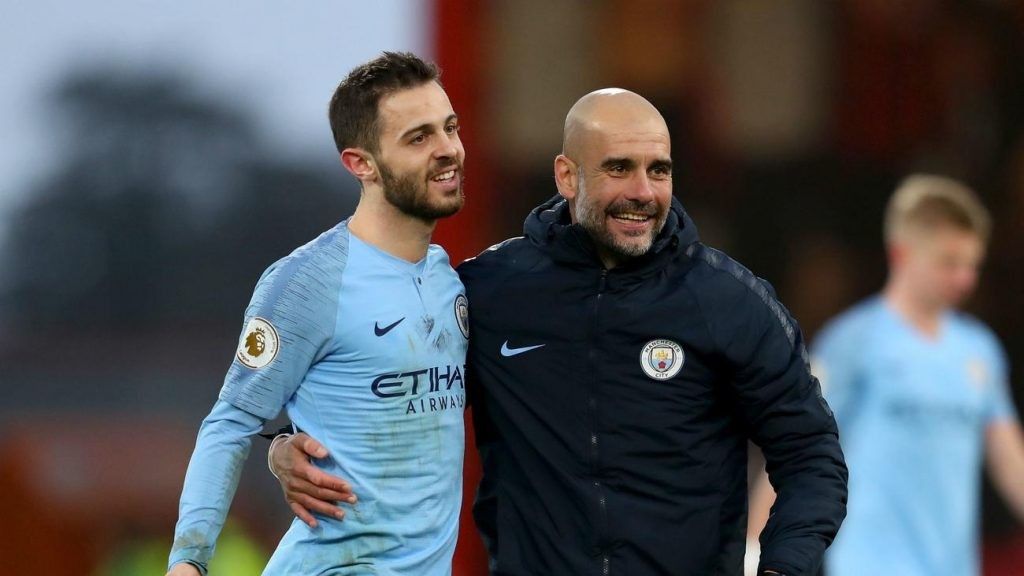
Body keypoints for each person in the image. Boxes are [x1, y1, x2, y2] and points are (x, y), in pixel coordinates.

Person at [273, 88, 848, 575]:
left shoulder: (730, 301)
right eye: (619, 168)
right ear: (567, 176)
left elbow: (811, 452)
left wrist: (783, 565)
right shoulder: (487, 292)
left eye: (659, 170)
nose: (643, 192)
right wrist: (283, 444)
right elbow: (382, 382)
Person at [166, 51, 470, 576]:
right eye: (418, 138)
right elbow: (231, 421)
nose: (448, 150)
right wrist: (188, 561)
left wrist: (282, 444)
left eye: (450, 127)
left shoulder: (449, 281)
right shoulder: (307, 282)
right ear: (361, 164)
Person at [750, 175, 1024, 576]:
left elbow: (1008, 458)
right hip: (871, 563)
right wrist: (754, 548)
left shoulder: (980, 349)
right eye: (950, 263)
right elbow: (797, 443)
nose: (965, 278)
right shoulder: (854, 341)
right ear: (902, 254)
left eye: (972, 264)